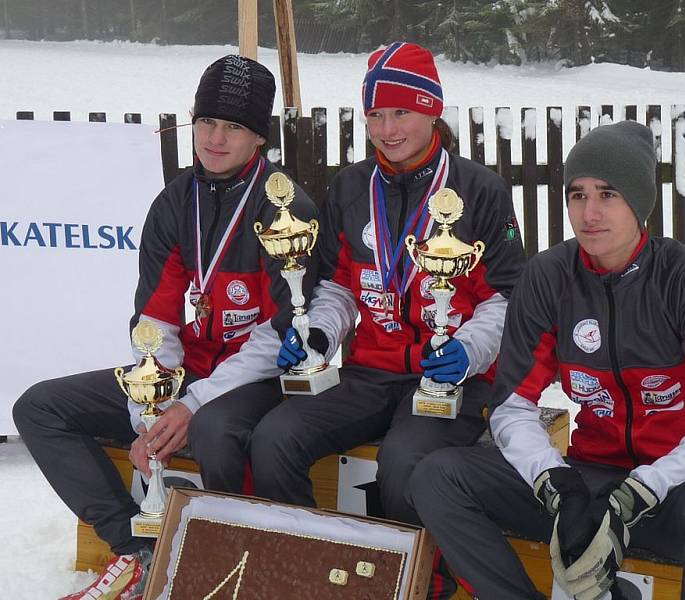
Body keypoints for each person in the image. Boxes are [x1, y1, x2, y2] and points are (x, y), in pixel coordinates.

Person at [409, 120, 685, 600]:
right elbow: (512, 408)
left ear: (639, 203)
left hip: (678, 488)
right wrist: (556, 484)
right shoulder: (549, 278)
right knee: (439, 476)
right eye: (577, 195)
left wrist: (639, 490)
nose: (590, 213)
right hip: (587, 484)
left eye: (608, 194)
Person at [13, 54, 317, 600]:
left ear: (259, 139)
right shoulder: (175, 202)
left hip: (253, 379)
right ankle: (136, 549)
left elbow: (279, 335)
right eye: (206, 122)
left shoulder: (285, 209)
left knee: (215, 433)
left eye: (233, 127)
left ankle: (235, 567)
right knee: (40, 406)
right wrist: (150, 407)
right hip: (182, 372)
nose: (215, 139)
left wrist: (191, 404)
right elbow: (155, 316)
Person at [250, 42, 524, 597]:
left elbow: (505, 300)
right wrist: (320, 332)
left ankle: (419, 584)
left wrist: (466, 352)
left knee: (403, 463)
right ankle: (314, 572)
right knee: (274, 438)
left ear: (432, 112)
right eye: (374, 114)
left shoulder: (479, 191)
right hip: (368, 372)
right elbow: (336, 285)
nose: (386, 128)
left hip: (450, 379)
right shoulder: (352, 188)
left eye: (401, 112)